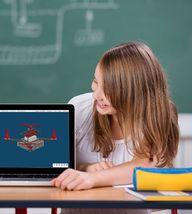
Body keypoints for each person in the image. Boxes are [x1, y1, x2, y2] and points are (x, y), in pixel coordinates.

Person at [52, 42, 179, 214]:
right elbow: (56, 166)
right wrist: (85, 168)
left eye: (109, 90)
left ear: (136, 92)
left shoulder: (159, 115)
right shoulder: (79, 108)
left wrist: (93, 178)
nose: (96, 95)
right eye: (96, 82)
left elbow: (148, 167)